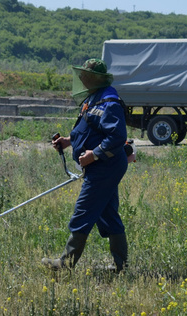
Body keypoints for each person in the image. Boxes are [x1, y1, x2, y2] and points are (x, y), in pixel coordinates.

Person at [42, 58, 129, 272]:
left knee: (83, 213)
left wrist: (95, 154)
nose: (81, 79)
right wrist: (68, 141)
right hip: (102, 167)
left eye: (86, 76)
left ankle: (65, 264)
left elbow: (117, 136)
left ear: (96, 78)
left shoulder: (109, 102)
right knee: (108, 215)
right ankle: (121, 266)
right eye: (81, 75)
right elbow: (88, 129)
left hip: (105, 167)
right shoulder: (93, 98)